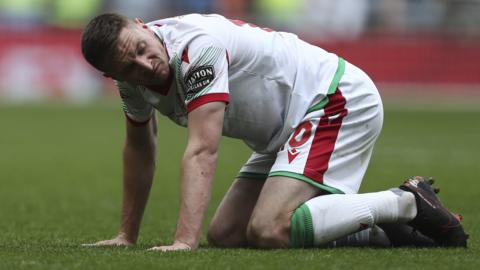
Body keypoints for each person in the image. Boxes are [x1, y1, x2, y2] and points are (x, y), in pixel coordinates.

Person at [80, 13, 467, 251]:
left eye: (142, 48)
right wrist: (126, 236)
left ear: (143, 26)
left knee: (269, 228)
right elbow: (140, 149)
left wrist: (183, 242)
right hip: (285, 129)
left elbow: (203, 149)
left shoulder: (196, 48)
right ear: (112, 76)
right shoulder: (130, 82)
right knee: (229, 233)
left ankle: (406, 202)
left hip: (332, 98)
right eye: (129, 67)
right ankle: (385, 232)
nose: (144, 66)